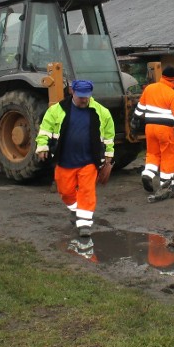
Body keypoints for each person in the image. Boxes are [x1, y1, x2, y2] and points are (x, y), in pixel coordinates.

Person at [35, 80, 115, 237]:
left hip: (89, 161)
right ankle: (76, 209)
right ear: (72, 92)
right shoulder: (56, 110)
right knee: (65, 191)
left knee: (87, 191)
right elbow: (45, 130)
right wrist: (42, 147)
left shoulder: (102, 112)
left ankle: (84, 224)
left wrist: (108, 156)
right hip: (65, 160)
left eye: (87, 96)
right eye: (81, 97)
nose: (84, 100)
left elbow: (109, 137)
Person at [130, 66, 174, 196]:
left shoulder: (149, 88)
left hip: (149, 128)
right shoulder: (173, 95)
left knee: (153, 153)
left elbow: (139, 109)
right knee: (168, 156)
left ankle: (147, 174)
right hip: (166, 130)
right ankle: (166, 185)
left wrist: (134, 121)